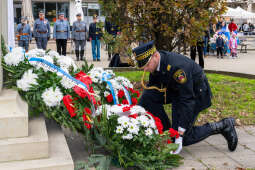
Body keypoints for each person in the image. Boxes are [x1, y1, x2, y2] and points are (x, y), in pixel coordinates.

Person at [133, 40, 238, 154]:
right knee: (148, 97)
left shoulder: (177, 68)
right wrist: (135, 112)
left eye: (147, 65)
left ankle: (223, 125)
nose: (146, 69)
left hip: (195, 93)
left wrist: (180, 133)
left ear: (156, 55)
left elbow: (187, 100)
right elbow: (152, 88)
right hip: (176, 91)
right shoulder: (156, 63)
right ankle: (167, 133)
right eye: (144, 66)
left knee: (184, 137)